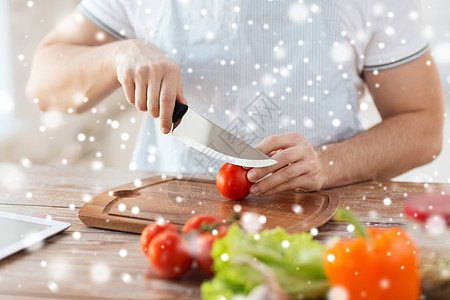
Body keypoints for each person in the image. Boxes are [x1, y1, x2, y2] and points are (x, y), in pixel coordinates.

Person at [26, 0, 444, 197]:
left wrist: (329, 164)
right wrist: (119, 54)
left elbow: (424, 127)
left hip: (319, 221)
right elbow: (44, 84)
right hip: (167, 224)